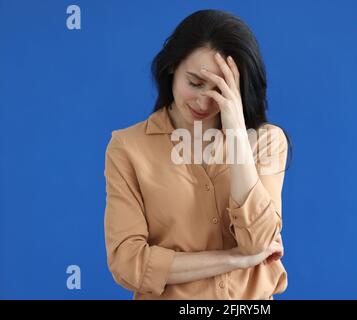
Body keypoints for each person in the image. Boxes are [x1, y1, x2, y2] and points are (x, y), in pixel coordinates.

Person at [104, 9, 292, 300]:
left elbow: (257, 243)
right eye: (194, 83)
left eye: (220, 89)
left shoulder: (266, 142)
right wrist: (234, 260)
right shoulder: (128, 147)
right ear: (172, 67)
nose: (204, 101)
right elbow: (128, 264)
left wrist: (238, 135)